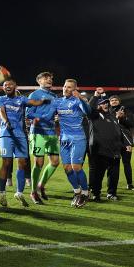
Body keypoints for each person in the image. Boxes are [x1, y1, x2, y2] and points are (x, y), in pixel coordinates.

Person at [0, 78, 49, 207]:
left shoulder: (21, 100)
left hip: (20, 135)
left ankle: (19, 193)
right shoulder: (0, 99)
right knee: (6, 162)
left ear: (15, 86)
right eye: (5, 85)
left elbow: (33, 102)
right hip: (6, 134)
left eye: (10, 84)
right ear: (3, 88)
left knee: (22, 163)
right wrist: (6, 121)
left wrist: (44, 100)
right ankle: (2, 192)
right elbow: (2, 111)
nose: (7, 86)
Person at [52, 79, 92, 207]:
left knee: (76, 167)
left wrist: (81, 98)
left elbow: (88, 112)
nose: (65, 89)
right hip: (64, 139)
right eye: (64, 86)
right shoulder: (58, 102)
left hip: (78, 138)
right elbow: (48, 112)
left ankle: (85, 193)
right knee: (67, 168)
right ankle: (77, 191)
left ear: (75, 89)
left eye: (69, 87)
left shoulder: (77, 101)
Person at [87, 90, 131, 201]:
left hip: (115, 150)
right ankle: (96, 193)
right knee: (98, 174)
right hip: (100, 150)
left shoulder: (112, 117)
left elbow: (119, 132)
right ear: (98, 105)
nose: (106, 104)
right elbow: (89, 108)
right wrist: (96, 96)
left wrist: (126, 144)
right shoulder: (94, 115)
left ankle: (111, 193)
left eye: (106, 103)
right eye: (102, 103)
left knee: (114, 175)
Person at [27, 71, 60, 204]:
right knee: (39, 163)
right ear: (39, 81)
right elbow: (28, 113)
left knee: (55, 162)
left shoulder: (55, 96)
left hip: (51, 132)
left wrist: (56, 117)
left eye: (50, 78)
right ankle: (33, 191)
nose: (49, 80)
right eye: (45, 78)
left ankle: (41, 185)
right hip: (38, 132)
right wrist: (39, 119)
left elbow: (56, 113)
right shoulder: (35, 94)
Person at [108, 94, 134, 190]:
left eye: (116, 100)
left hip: (125, 141)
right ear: (110, 102)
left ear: (119, 101)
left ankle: (129, 184)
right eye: (112, 100)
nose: (114, 101)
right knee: (112, 164)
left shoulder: (126, 111)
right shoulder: (107, 111)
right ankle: (111, 186)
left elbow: (132, 124)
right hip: (112, 141)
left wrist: (122, 117)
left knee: (127, 163)